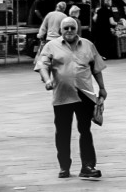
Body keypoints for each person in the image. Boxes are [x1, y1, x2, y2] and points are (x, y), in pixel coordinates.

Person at [35, 16, 107, 179]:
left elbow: (97, 69)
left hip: (84, 95)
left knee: (85, 131)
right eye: (65, 28)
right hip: (62, 96)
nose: (69, 31)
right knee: (62, 132)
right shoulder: (51, 46)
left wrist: (102, 88)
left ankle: (88, 166)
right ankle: (64, 166)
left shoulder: (88, 45)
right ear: (60, 30)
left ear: (77, 30)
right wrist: (47, 80)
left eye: (72, 28)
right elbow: (42, 66)